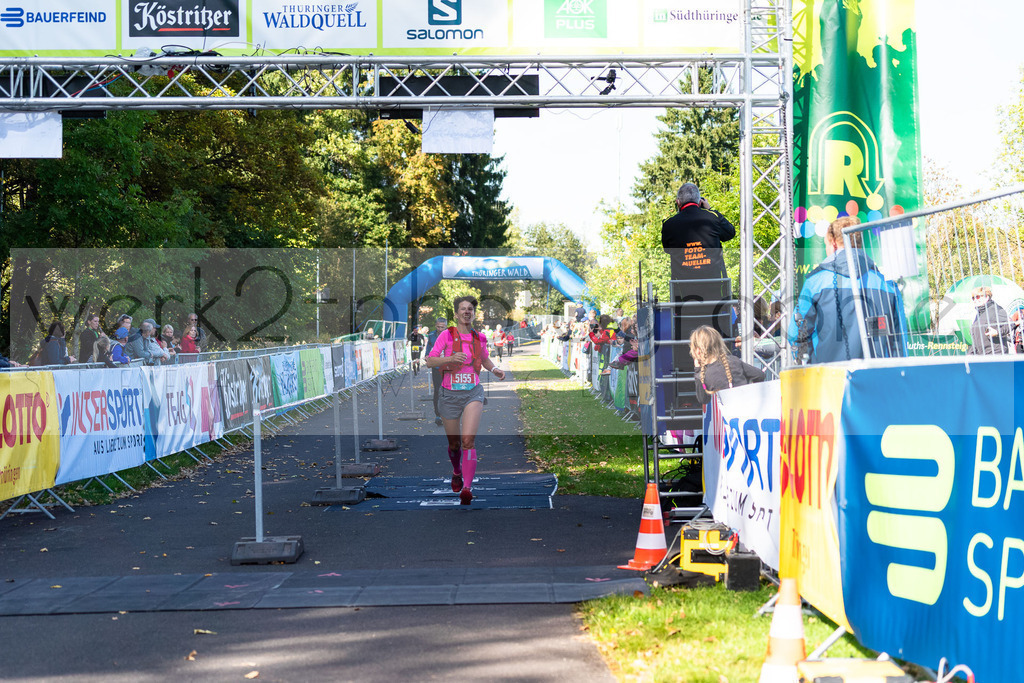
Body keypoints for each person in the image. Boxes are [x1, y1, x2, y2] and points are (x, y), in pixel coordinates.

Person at [789, 216, 908, 364]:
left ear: (833, 243)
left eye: (826, 244)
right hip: (877, 378)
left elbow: (797, 333)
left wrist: (807, 367)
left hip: (827, 378)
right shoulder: (888, 286)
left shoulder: (815, 283)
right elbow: (900, 341)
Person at [424, 296, 506, 505]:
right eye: (463, 309)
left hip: (473, 392)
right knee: (454, 444)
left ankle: (467, 488)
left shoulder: (479, 337)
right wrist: (450, 358)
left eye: (470, 309)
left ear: (473, 313)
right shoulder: (446, 335)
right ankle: (457, 471)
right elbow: (430, 361)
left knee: (468, 440)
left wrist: (494, 369)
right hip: (449, 394)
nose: (467, 312)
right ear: (456, 313)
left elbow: (485, 358)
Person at [661, 182, 736, 284]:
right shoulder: (713, 217)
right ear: (700, 202)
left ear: (678, 202)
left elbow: (667, 249)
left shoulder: (669, 224)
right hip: (714, 285)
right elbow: (730, 233)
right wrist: (709, 209)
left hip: (682, 288)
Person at [690, 326, 765, 404]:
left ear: (698, 351)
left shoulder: (706, 374)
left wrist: (697, 370)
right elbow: (760, 375)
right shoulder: (734, 361)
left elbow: (703, 399)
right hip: (748, 408)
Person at [968, 286, 1013, 355]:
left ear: (987, 297)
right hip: (982, 355)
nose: (975, 300)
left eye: (978, 297)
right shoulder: (979, 313)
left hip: (996, 354)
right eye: (973, 298)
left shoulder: (996, 309)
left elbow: (1010, 324)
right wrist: (970, 354)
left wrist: (997, 332)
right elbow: (976, 340)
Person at [426, 317, 447, 426]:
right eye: (438, 327)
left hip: (448, 367)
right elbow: (428, 349)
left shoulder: (451, 335)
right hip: (437, 367)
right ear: (435, 326)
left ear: (446, 326)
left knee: (449, 391)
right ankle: (438, 415)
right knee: (438, 390)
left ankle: (449, 414)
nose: (440, 329)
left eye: (442, 327)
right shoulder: (431, 336)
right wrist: (426, 356)